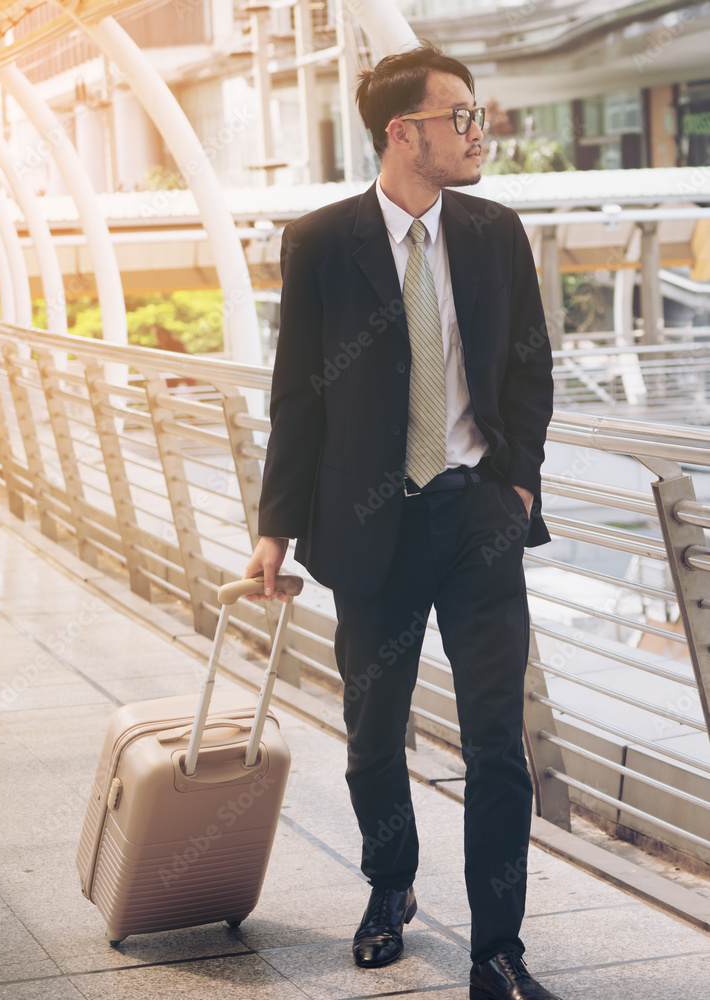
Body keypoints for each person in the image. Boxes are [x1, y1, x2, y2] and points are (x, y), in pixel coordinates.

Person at [245, 42, 560, 1000]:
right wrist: (277, 525)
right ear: (404, 131)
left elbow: (528, 369)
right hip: (368, 524)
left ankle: (497, 950)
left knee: (497, 742)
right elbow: (299, 397)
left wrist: (517, 484)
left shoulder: (497, 231)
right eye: (460, 115)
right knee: (375, 730)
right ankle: (391, 886)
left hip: (477, 518)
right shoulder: (320, 243)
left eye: (476, 114)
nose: (478, 131)